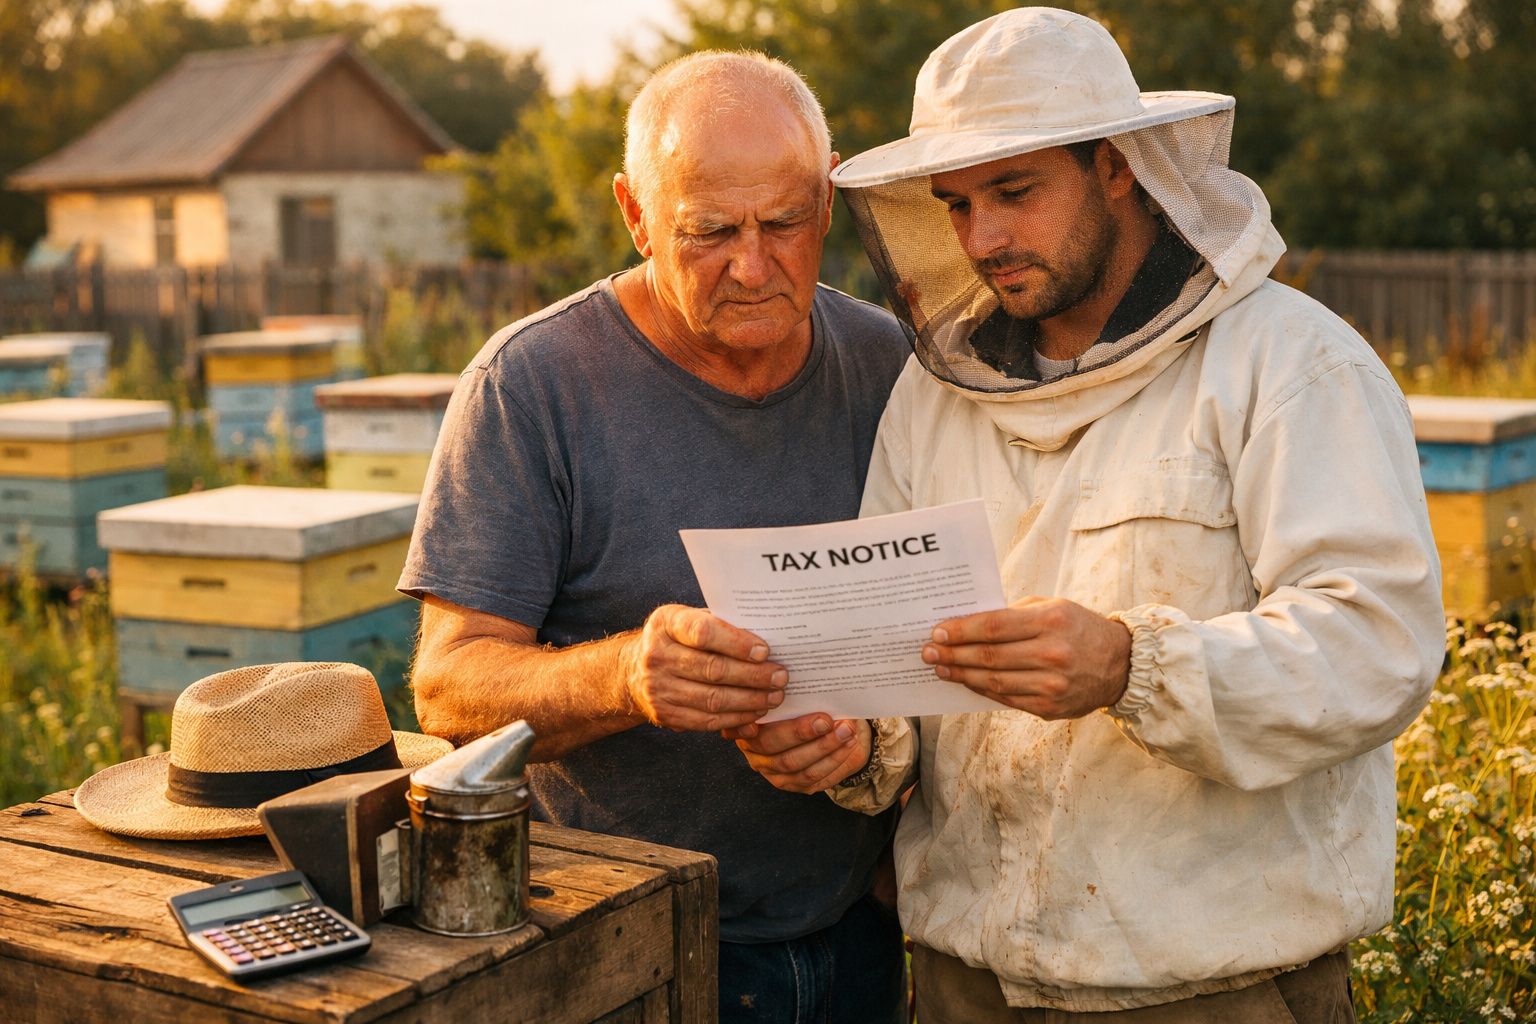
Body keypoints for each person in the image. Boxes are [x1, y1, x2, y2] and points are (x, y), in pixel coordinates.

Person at [731, 9, 1443, 1022]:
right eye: (959, 204)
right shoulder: (937, 396)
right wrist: (850, 741)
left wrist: (1130, 665)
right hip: (966, 981)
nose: (983, 239)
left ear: (1118, 165)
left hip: (1214, 989)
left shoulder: (1290, 364)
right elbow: (893, 654)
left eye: (1015, 192)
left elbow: (1379, 645)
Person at [398, 51, 910, 1023]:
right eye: (709, 231)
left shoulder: (886, 362)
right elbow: (446, 687)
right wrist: (629, 675)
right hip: (617, 946)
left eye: (784, 223)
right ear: (636, 215)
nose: (753, 265)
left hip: (853, 939)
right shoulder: (532, 384)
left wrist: (864, 742)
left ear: (830, 200)